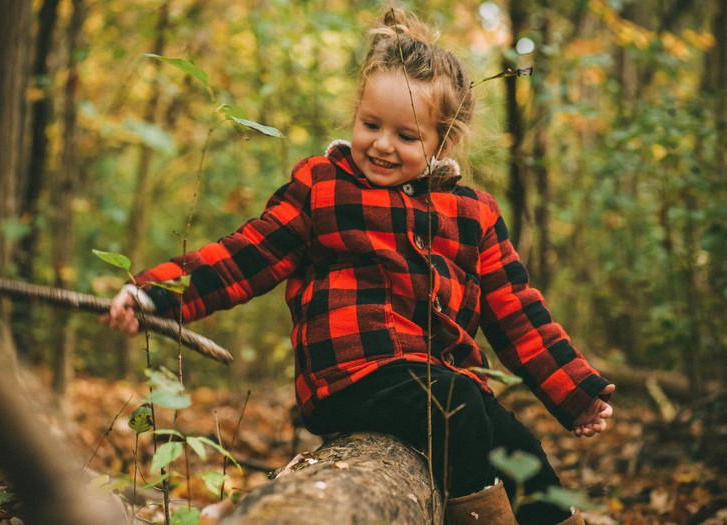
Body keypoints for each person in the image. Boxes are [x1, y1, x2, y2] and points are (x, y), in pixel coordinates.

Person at [102, 7, 614, 525]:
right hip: (349, 376)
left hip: (440, 381)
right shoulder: (325, 188)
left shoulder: (472, 214)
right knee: (458, 402)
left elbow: (516, 312)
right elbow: (246, 254)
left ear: (444, 140)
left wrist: (575, 391)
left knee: (515, 440)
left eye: (407, 136)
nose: (382, 145)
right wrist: (156, 294)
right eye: (371, 125)